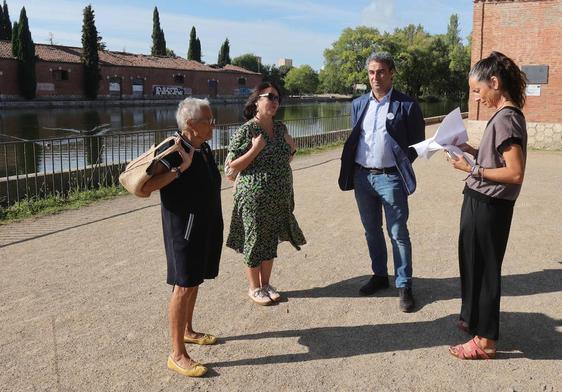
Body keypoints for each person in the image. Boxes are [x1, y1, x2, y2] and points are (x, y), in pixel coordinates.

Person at [448, 51, 527, 360]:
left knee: (485, 271)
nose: (477, 97)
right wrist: (472, 151)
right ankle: (474, 321)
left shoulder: (507, 118)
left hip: (490, 204)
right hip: (483, 200)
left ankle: (486, 342)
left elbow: (515, 172)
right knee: (474, 263)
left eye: (478, 90)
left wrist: (472, 169)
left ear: (494, 82)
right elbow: (497, 156)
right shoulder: (506, 115)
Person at [141, 98, 223, 377]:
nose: (214, 124)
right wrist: (179, 170)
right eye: (208, 120)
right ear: (191, 124)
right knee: (183, 285)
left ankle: (187, 331)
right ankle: (177, 354)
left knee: (196, 279)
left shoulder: (202, 145)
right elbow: (145, 188)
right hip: (183, 229)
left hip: (205, 224)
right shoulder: (173, 150)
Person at [338, 51, 425, 312]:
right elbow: (358, 137)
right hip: (363, 176)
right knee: (371, 230)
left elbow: (416, 144)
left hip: (391, 178)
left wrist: (398, 166)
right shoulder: (358, 104)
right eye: (371, 72)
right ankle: (379, 275)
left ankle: (404, 284)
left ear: (391, 73)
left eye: (381, 72)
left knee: (398, 233)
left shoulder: (407, 105)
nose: (376, 77)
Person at [226, 81, 306, 306]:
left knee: (270, 239)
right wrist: (254, 149)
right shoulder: (247, 130)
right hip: (254, 197)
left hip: (279, 195)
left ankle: (266, 284)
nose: (274, 101)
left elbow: (284, 159)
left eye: (277, 98)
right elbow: (230, 169)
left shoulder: (280, 128)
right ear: (256, 102)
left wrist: (292, 148)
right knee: (254, 239)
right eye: (269, 97)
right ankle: (254, 287)